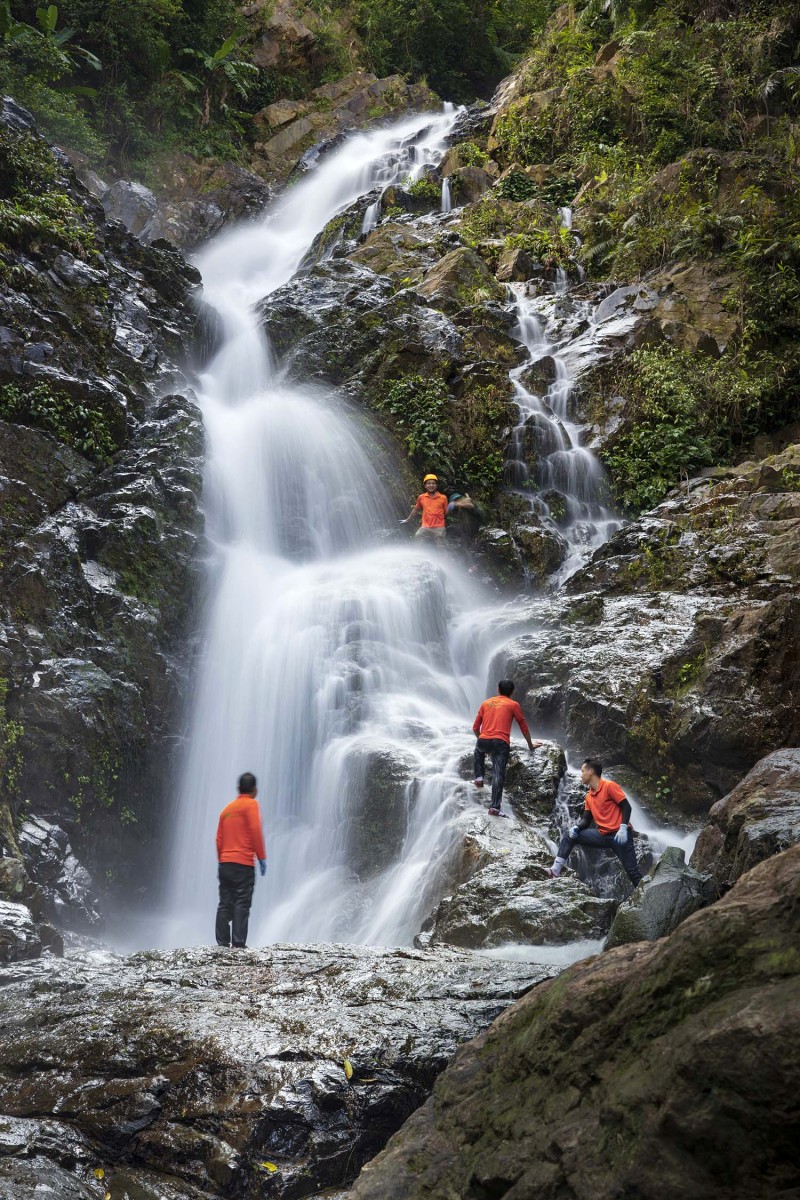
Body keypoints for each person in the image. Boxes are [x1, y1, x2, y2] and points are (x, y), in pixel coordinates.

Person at [547, 757, 642, 885]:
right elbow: (586, 820)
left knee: (633, 872)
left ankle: (649, 899)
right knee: (569, 835)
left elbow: (627, 807)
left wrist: (623, 828)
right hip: (602, 835)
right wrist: (577, 828)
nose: (581, 775)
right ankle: (555, 871)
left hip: (620, 836)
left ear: (591, 771)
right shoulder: (589, 796)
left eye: (582, 771)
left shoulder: (609, 786)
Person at [472, 680, 542, 816]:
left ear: (498, 689)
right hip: (501, 742)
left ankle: (479, 778)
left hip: (483, 740)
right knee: (498, 773)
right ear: (512, 692)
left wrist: (483, 742)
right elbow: (523, 727)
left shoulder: (486, 703)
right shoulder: (513, 704)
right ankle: (495, 808)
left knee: (478, 748)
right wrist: (530, 744)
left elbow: (475, 728)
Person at [215, 771, 266, 949]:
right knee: (241, 902)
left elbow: (219, 839)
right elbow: (255, 829)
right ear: (255, 790)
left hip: (225, 863)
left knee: (224, 903)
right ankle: (238, 943)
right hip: (243, 863)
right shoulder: (251, 805)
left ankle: (222, 943)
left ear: (238, 789)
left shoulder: (226, 810)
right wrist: (261, 857)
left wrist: (222, 860)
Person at [401, 474, 448, 542]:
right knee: (418, 539)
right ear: (425, 486)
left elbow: (446, 512)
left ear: (436, 485)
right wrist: (408, 520)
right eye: (428, 483)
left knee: (441, 547)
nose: (431, 485)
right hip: (425, 526)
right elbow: (416, 509)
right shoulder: (421, 497)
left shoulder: (443, 498)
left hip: (439, 527)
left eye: (433, 483)